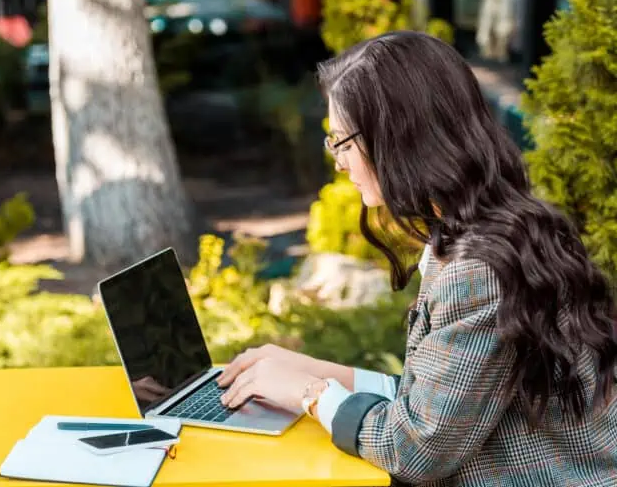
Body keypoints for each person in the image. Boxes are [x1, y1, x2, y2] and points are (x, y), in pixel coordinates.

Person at [217, 31, 617, 486]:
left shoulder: (479, 271)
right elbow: (432, 403)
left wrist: (309, 393)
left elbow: (415, 449)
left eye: (342, 143)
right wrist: (309, 369)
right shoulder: (495, 231)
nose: (339, 163)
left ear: (401, 137)